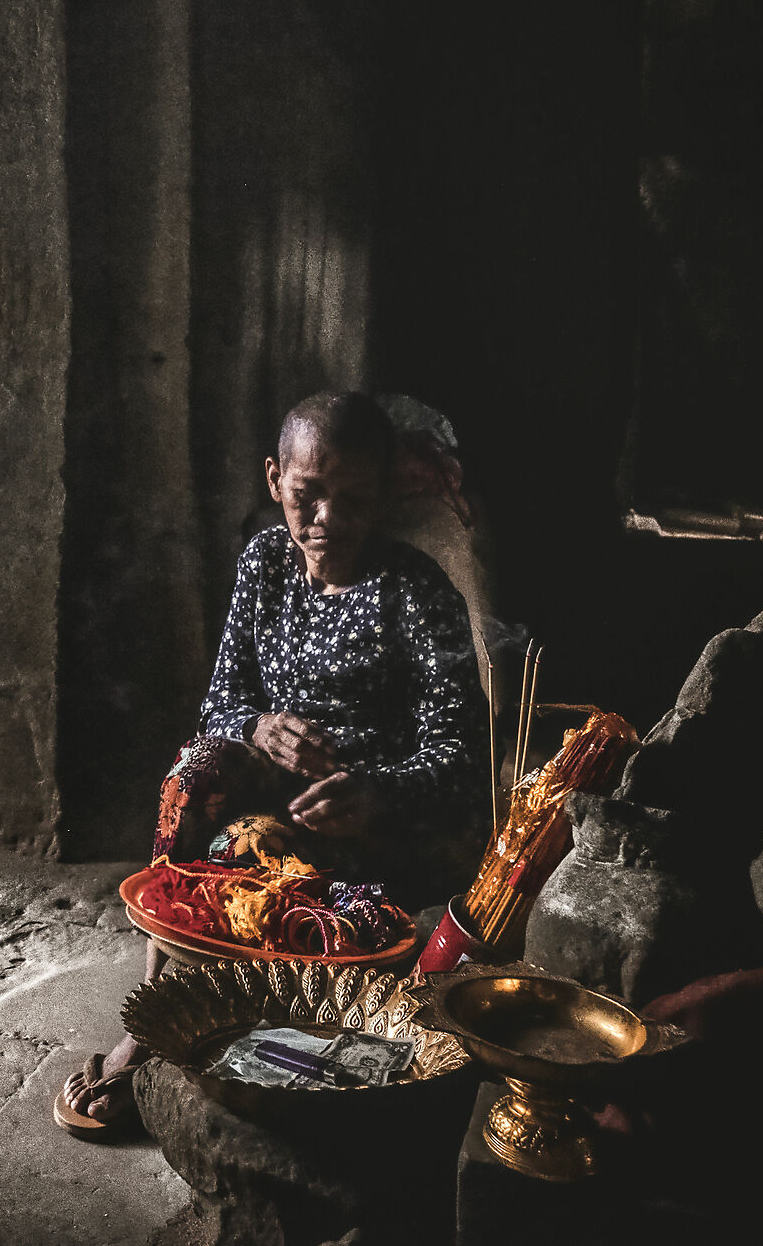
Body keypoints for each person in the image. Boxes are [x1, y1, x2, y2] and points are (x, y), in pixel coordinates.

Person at [55, 391, 483, 1135]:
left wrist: (376, 791)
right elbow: (222, 703)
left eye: (354, 499)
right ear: (273, 480)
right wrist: (259, 728)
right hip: (270, 784)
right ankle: (155, 1002)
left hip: (370, 816)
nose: (328, 520)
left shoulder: (415, 593)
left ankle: (189, 1035)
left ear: (383, 496)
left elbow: (458, 750)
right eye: (308, 495)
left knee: (239, 850)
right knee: (198, 772)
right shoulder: (265, 563)